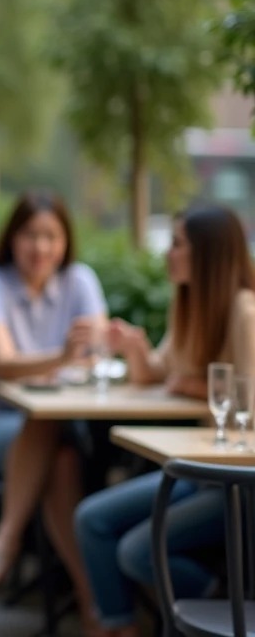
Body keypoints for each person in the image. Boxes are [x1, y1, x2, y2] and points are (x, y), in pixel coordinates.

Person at [74, 204, 255, 637]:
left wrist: (194, 385)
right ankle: (121, 627)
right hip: (198, 471)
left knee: (137, 552)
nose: (168, 254)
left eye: (177, 244)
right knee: (91, 520)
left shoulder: (246, 314)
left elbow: (250, 401)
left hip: (240, 483)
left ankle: (219, 606)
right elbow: (157, 374)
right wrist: (135, 348)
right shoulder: (191, 305)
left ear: (208, 254)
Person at [0, 191, 106, 631]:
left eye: (51, 237)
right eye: (30, 235)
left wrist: (99, 350)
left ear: (66, 241)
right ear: (12, 238)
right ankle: (88, 598)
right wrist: (62, 358)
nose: (41, 248)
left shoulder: (80, 281)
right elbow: (3, 362)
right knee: (45, 422)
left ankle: (84, 597)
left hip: (59, 431)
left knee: (59, 454)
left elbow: (96, 351)